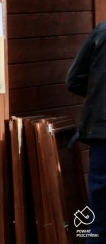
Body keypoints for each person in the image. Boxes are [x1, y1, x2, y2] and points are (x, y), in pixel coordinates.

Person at [66, 21, 106, 243]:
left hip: (102, 132)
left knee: (99, 216)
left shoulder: (102, 32)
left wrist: (98, 94)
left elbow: (75, 80)